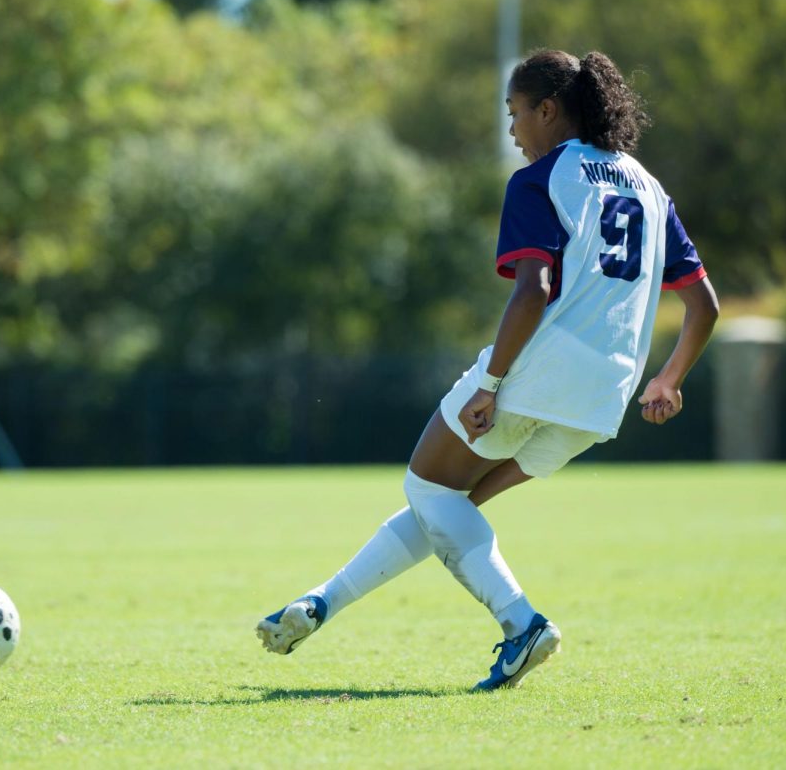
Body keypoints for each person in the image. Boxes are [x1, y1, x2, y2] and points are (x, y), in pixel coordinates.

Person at [255, 48, 720, 691]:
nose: (511, 130)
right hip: (603, 398)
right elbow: (704, 304)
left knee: (426, 486)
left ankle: (521, 623)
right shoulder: (649, 186)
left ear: (548, 110)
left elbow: (533, 290)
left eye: (515, 113)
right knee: (449, 506)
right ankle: (318, 604)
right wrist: (668, 379)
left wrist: (493, 384)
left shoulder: (542, 179)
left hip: (540, 372)